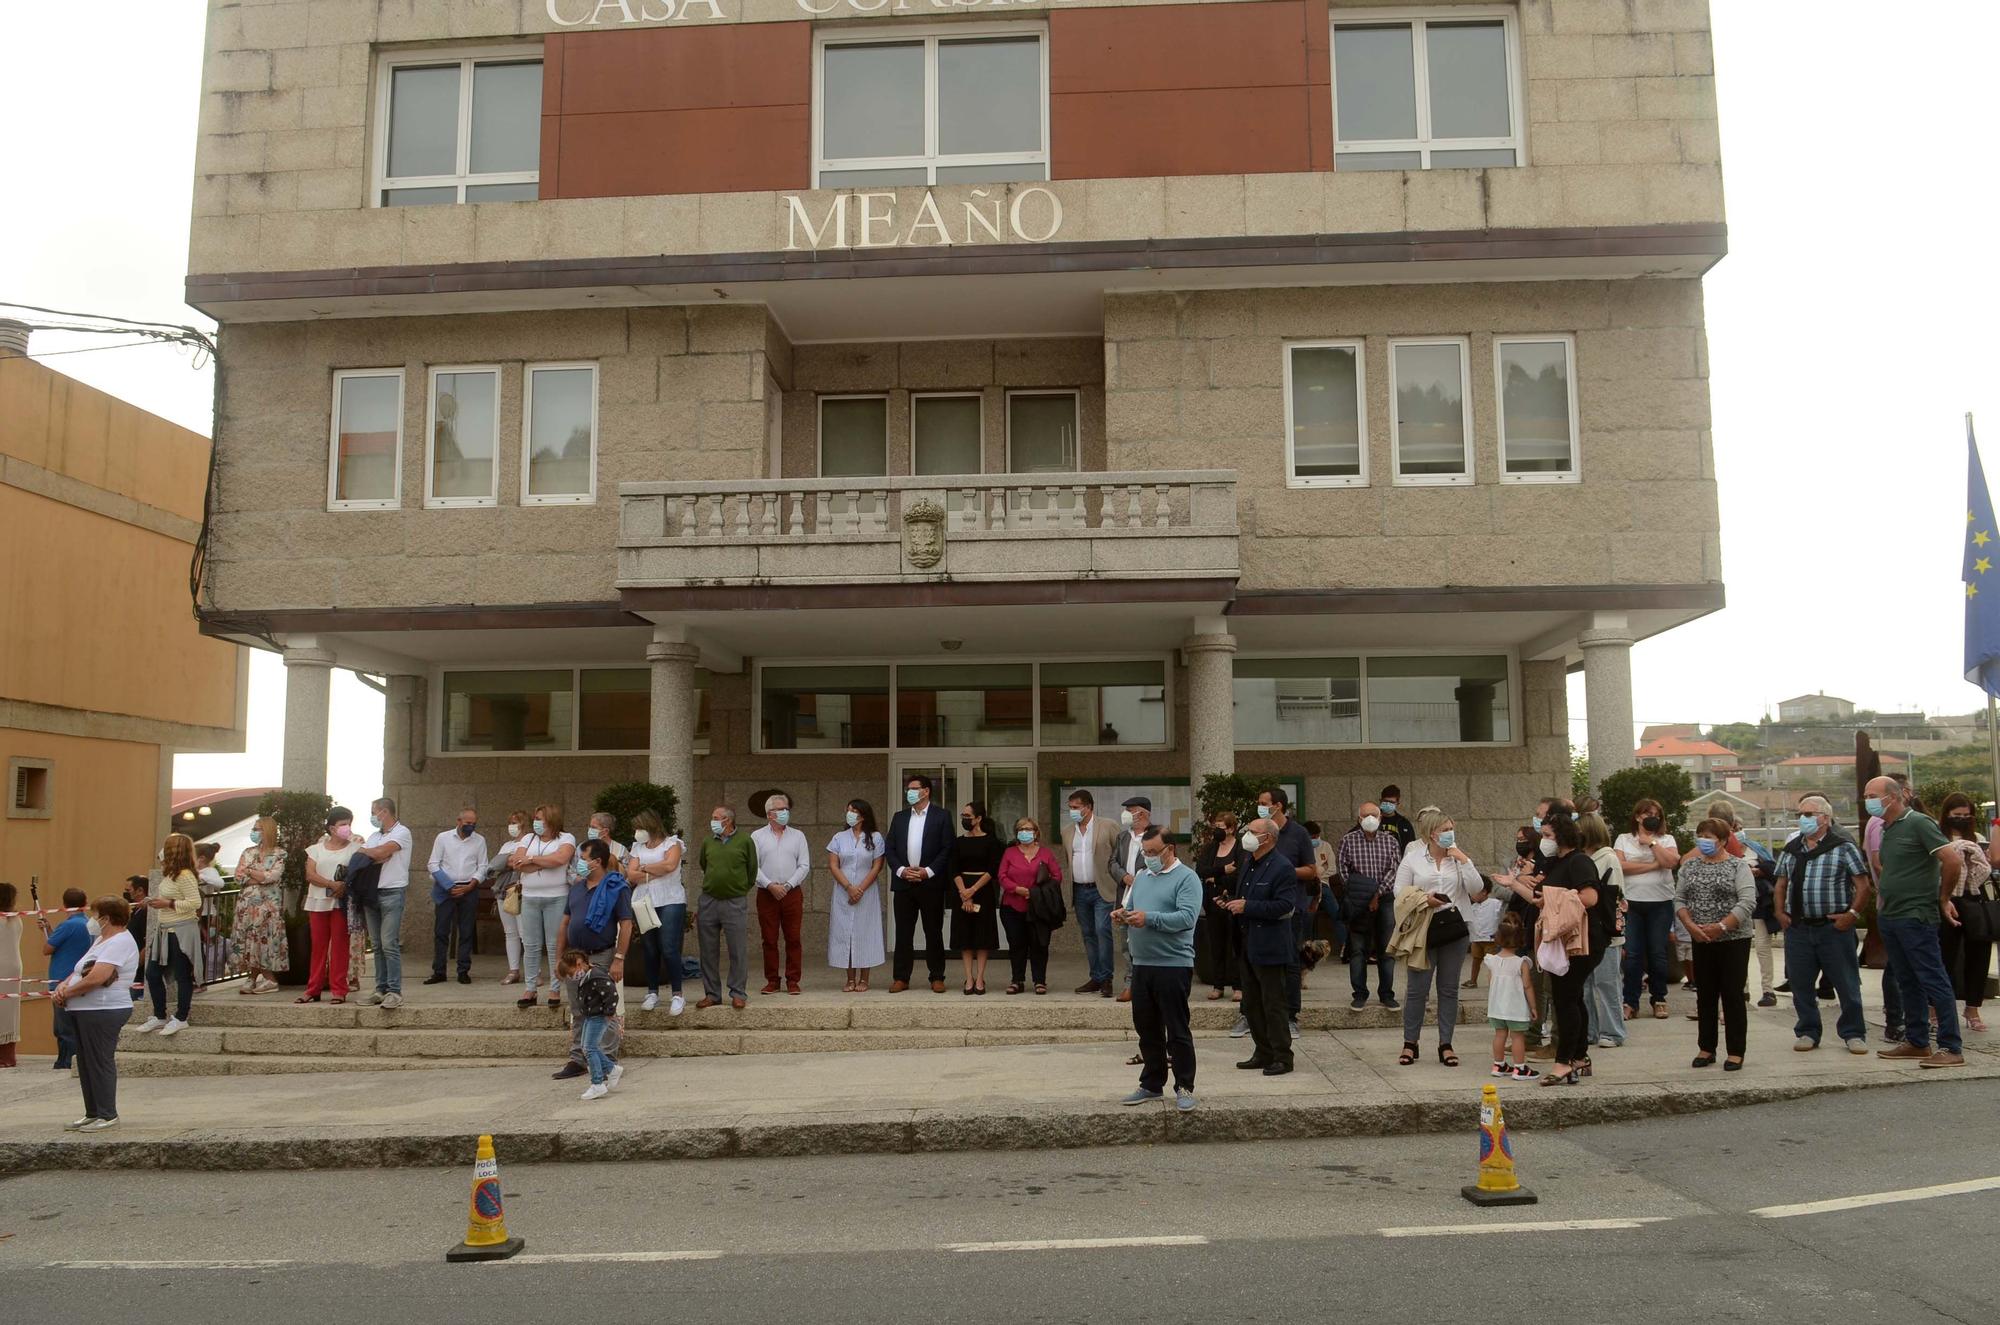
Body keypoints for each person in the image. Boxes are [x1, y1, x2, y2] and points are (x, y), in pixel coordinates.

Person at [1505, 801, 1608, 1086]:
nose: (1544, 841)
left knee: (1565, 998)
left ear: (1562, 836)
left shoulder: (1579, 861)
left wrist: (1555, 897)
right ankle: (1579, 1057)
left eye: (1548, 836)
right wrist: (1514, 884)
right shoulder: (1556, 863)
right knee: (1572, 997)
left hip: (1581, 942)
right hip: (1561, 941)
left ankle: (1563, 1062)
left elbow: (1589, 897)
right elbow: (1541, 899)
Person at [1868, 776, 1964, 1068]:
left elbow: (1952, 860)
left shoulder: (1919, 822)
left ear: (1893, 797)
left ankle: (1951, 1046)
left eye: (1873, 795)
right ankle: (1917, 1041)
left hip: (1916, 915)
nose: (1868, 800)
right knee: (1906, 980)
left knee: (1932, 978)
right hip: (1891, 915)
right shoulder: (1888, 828)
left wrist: (1943, 896)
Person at [1773, 795, 1872, 1054]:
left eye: (1808, 814)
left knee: (1847, 983)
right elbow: (1781, 883)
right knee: (1801, 983)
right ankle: (1807, 1030)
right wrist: (1780, 913)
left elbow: (1862, 885)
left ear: (1825, 818)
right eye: (1800, 814)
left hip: (1833, 929)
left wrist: (1852, 914)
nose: (1802, 819)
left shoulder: (1843, 847)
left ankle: (1854, 1033)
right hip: (1798, 929)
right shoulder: (1792, 848)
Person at [1115, 826, 1202, 1110]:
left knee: (1176, 1029)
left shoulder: (1187, 878)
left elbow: (1186, 918)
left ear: (1170, 849)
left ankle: (1185, 1086)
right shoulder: (1141, 876)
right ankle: (1152, 1083)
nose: (1148, 857)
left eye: (1153, 852)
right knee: (1147, 1028)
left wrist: (1148, 919)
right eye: (1145, 852)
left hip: (1172, 965)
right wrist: (1123, 915)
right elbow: (1132, 906)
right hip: (1142, 964)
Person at [1392, 807, 1485, 1068]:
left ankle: (1446, 1043)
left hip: (1454, 929)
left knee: (1448, 988)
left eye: (1451, 829)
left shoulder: (1458, 857)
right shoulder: (1413, 858)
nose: (1450, 834)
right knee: (1417, 989)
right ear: (1432, 833)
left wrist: (1463, 859)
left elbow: (1477, 889)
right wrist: (1425, 899)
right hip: (1423, 928)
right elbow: (1399, 892)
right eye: (1445, 830)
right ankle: (1410, 1043)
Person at [51, 894, 141, 1132]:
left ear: (107, 918)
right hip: (85, 1010)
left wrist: (67, 994)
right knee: (86, 1063)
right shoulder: (102, 939)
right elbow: (81, 970)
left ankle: (107, 1113)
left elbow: (98, 977)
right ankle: (92, 1112)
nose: (92, 919)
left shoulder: (120, 941)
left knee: (99, 1061)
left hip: (104, 1009)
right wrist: (64, 985)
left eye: (95, 914)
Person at [1223, 817, 1303, 1076]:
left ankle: (1282, 1056)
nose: (1247, 835)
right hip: (1246, 943)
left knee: (1273, 1003)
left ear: (1267, 838)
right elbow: (1245, 897)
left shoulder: (1282, 867)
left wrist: (1247, 907)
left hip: (1270, 945)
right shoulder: (1249, 862)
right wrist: (1229, 902)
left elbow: (1285, 906)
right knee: (1252, 1003)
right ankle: (1262, 1050)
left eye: (1252, 832)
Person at [1676, 817, 1757, 1070]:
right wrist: (1691, 926)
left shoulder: (1737, 866)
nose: (1704, 841)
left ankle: (1735, 1051)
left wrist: (1722, 926)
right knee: (1706, 995)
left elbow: (1746, 902)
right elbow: (1679, 899)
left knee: (1732, 995)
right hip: (1701, 938)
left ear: (1723, 840)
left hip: (1733, 939)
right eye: (1701, 835)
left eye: (1710, 837)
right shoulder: (1689, 867)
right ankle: (1706, 1047)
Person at [552, 838, 634, 1082]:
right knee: (578, 1009)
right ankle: (577, 1059)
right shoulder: (577, 887)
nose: (579, 863)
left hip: (601, 955)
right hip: (575, 956)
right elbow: (565, 922)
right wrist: (559, 957)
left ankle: (608, 1059)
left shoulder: (615, 887)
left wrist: (619, 958)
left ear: (597, 861)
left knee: (603, 1009)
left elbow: (626, 924)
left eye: (583, 859)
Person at [1256, 787, 1317, 1036]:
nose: (1258, 806)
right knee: (1259, 963)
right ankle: (1258, 1016)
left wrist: (1282, 871)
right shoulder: (1258, 831)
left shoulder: (1298, 833)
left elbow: (1311, 870)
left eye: (1263, 803)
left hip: (1291, 909)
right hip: (1260, 910)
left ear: (1278, 806)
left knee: (1290, 962)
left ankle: (1291, 1016)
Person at [1615, 797, 1682, 1020]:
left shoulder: (1667, 839)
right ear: (1637, 816)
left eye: (1655, 814)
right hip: (1632, 902)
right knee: (1632, 954)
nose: (1651, 818)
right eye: (1647, 814)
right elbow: (1621, 867)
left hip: (1660, 902)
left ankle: (1659, 998)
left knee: (1657, 953)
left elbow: (1671, 862)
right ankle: (1630, 1001)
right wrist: (1654, 865)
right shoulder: (1624, 840)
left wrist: (1652, 844)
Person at [886, 775, 954, 994]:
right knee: (903, 933)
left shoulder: (941, 816)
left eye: (914, 788)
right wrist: (901, 870)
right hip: (904, 883)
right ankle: (901, 978)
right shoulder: (899, 817)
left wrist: (927, 872)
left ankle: (937, 977)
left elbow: (947, 848)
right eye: (908, 789)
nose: (909, 792)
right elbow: (891, 848)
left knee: (933, 932)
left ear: (926, 791)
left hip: (930, 884)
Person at [509, 805, 576, 1010]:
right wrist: (542, 862)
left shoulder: (566, 838)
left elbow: (560, 859)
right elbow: (515, 861)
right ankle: (530, 989)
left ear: (552, 820)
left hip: (557, 897)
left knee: (555, 945)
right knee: (530, 944)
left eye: (541, 819)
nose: (537, 822)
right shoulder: (528, 839)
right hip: (530, 896)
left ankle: (555, 989)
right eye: (536, 818)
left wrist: (530, 861)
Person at [1337, 801, 1401, 1012]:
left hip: (1384, 900)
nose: (1370, 818)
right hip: (1357, 902)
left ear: (1380, 817)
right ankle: (1359, 994)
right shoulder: (1348, 840)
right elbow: (1343, 871)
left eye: (1374, 814)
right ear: (1359, 819)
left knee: (1386, 949)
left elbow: (1394, 870)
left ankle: (1386, 994)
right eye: (1365, 815)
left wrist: (1377, 894)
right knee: (1358, 950)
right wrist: (1362, 895)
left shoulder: (1391, 841)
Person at [1936, 792, 1992, 1035]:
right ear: (1947, 815)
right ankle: (1935, 1008)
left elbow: (1985, 868)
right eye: (1957, 815)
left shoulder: (1977, 839)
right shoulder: (1937, 837)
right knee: (1943, 955)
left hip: (1973, 899)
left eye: (1966, 816)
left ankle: (1972, 1008)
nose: (1962, 819)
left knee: (1978, 954)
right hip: (1945, 898)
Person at [137, 833, 203, 1037]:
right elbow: (168, 896)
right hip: (165, 929)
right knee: (152, 973)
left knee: (183, 975)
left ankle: (181, 1017)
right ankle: (159, 1015)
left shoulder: (185, 875)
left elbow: (195, 903)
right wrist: (153, 900)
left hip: (180, 930)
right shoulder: (171, 874)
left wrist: (168, 904)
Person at [353, 797, 413, 1009]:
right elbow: (366, 857)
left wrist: (369, 852)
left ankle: (394, 991)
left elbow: (379, 853)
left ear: (384, 812)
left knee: (389, 943)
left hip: (392, 891)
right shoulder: (374, 835)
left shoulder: (402, 832)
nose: (373, 816)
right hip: (372, 893)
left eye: (374, 811)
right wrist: (370, 854)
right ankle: (380, 989)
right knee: (377, 944)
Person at [626, 809, 687, 1014]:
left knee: (669, 947)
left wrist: (644, 868)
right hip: (644, 901)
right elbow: (630, 874)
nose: (636, 832)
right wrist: (652, 871)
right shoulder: (637, 847)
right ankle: (652, 992)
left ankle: (677, 994)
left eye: (639, 827)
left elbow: (670, 865)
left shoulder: (673, 844)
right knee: (649, 948)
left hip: (670, 900)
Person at [696, 805, 755, 1010]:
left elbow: (752, 870)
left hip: (734, 901)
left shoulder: (745, 841)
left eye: (716, 818)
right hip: (709, 900)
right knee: (708, 950)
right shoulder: (707, 842)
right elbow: (704, 864)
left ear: (727, 821)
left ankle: (738, 993)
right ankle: (712, 994)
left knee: (737, 949)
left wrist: (738, 889)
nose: (712, 821)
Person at [752, 792, 811, 995]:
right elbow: (753, 867)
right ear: (769, 814)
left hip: (791, 893)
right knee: (769, 939)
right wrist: (770, 885)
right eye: (780, 809)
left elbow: (804, 865)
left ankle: (793, 980)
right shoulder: (757, 836)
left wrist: (787, 885)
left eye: (786, 809)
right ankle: (772, 980)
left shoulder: (798, 836)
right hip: (766, 893)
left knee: (793, 938)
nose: (785, 812)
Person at [1063, 790, 1119, 996]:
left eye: (1076, 807)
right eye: (1070, 807)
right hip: (1079, 890)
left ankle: (1106, 978)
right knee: (1088, 934)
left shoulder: (1108, 825)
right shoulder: (1068, 831)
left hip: (1101, 888)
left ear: (1088, 807)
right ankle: (1096, 976)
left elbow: (1117, 853)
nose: (1072, 811)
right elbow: (1069, 858)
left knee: (1102, 931)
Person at [826, 800, 886, 993]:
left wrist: (859, 889)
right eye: (848, 810)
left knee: (864, 933)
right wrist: (849, 887)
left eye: (854, 811)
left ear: (863, 815)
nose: (850, 813)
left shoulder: (875, 838)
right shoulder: (839, 837)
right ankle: (850, 979)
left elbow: (877, 866)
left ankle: (864, 979)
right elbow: (834, 865)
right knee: (845, 934)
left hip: (867, 893)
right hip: (843, 893)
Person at [425, 804, 487, 987]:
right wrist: (448, 885)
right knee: (441, 932)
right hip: (445, 889)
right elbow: (433, 864)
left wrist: (470, 885)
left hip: (469, 889)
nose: (471, 826)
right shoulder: (443, 838)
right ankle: (439, 971)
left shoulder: (479, 840)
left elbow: (483, 866)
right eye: (468, 822)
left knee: (466, 932)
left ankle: (463, 971)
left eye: (474, 823)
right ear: (458, 821)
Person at [998, 816, 1061, 995]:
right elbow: (1002, 876)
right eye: (1021, 829)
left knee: (1039, 944)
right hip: (1012, 906)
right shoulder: (1009, 852)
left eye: (1029, 829)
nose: (1025, 832)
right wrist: (1017, 889)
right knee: (1017, 944)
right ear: (1017, 833)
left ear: (1036, 832)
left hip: (1039, 908)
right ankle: (1017, 980)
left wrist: (1035, 893)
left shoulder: (1046, 853)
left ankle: (1039, 981)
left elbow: (1057, 877)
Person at [226, 817, 289, 996]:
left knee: (264, 939)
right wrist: (259, 875)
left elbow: (273, 876)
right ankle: (252, 977)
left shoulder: (279, 853)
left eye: (258, 829)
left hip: (268, 906)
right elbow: (239, 876)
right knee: (249, 939)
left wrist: (251, 872)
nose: (254, 832)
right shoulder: (247, 852)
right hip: (246, 904)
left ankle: (269, 978)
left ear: (267, 830)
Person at [1580, 812, 1627, 1050]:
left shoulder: (1608, 858)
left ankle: (1613, 1031)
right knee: (1586, 983)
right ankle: (1590, 1030)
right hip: (1583, 930)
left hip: (1605, 929)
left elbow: (1615, 895)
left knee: (1607, 982)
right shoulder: (1581, 858)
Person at [297, 808, 353, 1003]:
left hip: (340, 903)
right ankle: (313, 989)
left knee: (339, 946)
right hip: (318, 901)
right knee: (318, 946)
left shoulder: (354, 848)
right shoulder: (316, 849)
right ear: (332, 828)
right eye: (342, 824)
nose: (347, 828)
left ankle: (339, 990)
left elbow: (358, 873)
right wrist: (331, 884)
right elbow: (310, 874)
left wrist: (344, 886)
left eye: (349, 823)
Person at [1106, 796, 1155, 1003]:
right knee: (1127, 943)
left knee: (1146, 942)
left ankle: (1148, 984)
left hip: (1147, 897)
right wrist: (1123, 876)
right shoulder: (1122, 837)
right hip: (1124, 897)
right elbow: (1112, 861)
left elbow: (1163, 861)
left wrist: (1140, 877)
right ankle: (1130, 984)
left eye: (1130, 810)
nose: (1126, 814)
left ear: (1142, 813)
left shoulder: (1157, 834)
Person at [557, 947, 622, 1101]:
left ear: (579, 964)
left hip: (598, 1016)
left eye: (571, 973)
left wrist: (609, 1012)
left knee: (590, 1048)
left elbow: (611, 993)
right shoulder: (587, 977)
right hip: (590, 1015)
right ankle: (611, 1069)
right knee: (587, 1047)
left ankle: (597, 1082)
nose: (572, 977)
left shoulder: (596, 976)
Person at [38, 888, 93, 1071]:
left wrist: (47, 934)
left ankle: (65, 1062)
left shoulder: (68, 925)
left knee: (63, 1027)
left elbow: (48, 949)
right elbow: (67, 943)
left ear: (64, 905)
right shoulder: (88, 923)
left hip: (61, 980)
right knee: (73, 1023)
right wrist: (49, 929)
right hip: (80, 979)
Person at [951, 801, 1002, 995]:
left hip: (983, 890)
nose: (964, 819)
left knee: (982, 937)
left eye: (968, 816)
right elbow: (953, 868)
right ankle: (969, 978)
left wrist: (973, 890)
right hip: (961, 892)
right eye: (962, 816)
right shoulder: (958, 842)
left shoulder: (991, 841)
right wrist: (964, 893)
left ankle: (980, 977)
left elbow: (992, 870)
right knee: (965, 937)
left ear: (979, 818)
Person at [1193, 812, 1243, 1007]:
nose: (1217, 831)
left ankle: (1238, 986)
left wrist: (1216, 880)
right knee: (1217, 945)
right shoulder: (1211, 848)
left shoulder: (1240, 848)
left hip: (1233, 903)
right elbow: (1201, 870)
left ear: (1231, 829)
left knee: (1235, 945)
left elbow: (1239, 873)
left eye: (1221, 828)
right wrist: (1222, 871)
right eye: (1215, 827)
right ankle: (1218, 985)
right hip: (1212, 904)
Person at [1484, 912, 1538, 1079]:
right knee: (1517, 1037)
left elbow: (1491, 981)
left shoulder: (1491, 960)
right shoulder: (1521, 962)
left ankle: (1498, 1065)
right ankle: (1520, 1068)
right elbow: (1527, 986)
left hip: (1496, 1006)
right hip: (1515, 1007)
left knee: (1500, 1035)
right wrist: (1533, 1006)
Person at [490, 809, 532, 984]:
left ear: (523, 823)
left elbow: (520, 863)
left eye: (515, 822)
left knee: (525, 933)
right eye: (510, 822)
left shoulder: (530, 841)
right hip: (504, 892)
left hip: (521, 891)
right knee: (510, 933)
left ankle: (532, 971)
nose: (512, 826)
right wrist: (510, 859)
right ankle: (513, 970)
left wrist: (509, 860)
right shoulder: (507, 845)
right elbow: (495, 865)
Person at [1463, 891, 1503, 988]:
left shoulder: (1495, 903)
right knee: (1476, 959)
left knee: (1492, 962)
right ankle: (1473, 980)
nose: (1472, 896)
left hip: (1490, 939)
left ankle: (1494, 980)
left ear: (1484, 892)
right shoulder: (1471, 907)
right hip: (1476, 938)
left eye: (1474, 893)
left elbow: (1501, 915)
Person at [0, 883, 20, 1067]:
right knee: (9, 1009)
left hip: (1, 967)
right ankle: (8, 1055)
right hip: (14, 966)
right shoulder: (15, 918)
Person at [1376, 785, 1416, 853]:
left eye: (1392, 802)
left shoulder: (1404, 823)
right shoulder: (1372, 819)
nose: (1388, 804)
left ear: (1397, 803)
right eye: (1386, 801)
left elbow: (1411, 847)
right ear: (1380, 801)